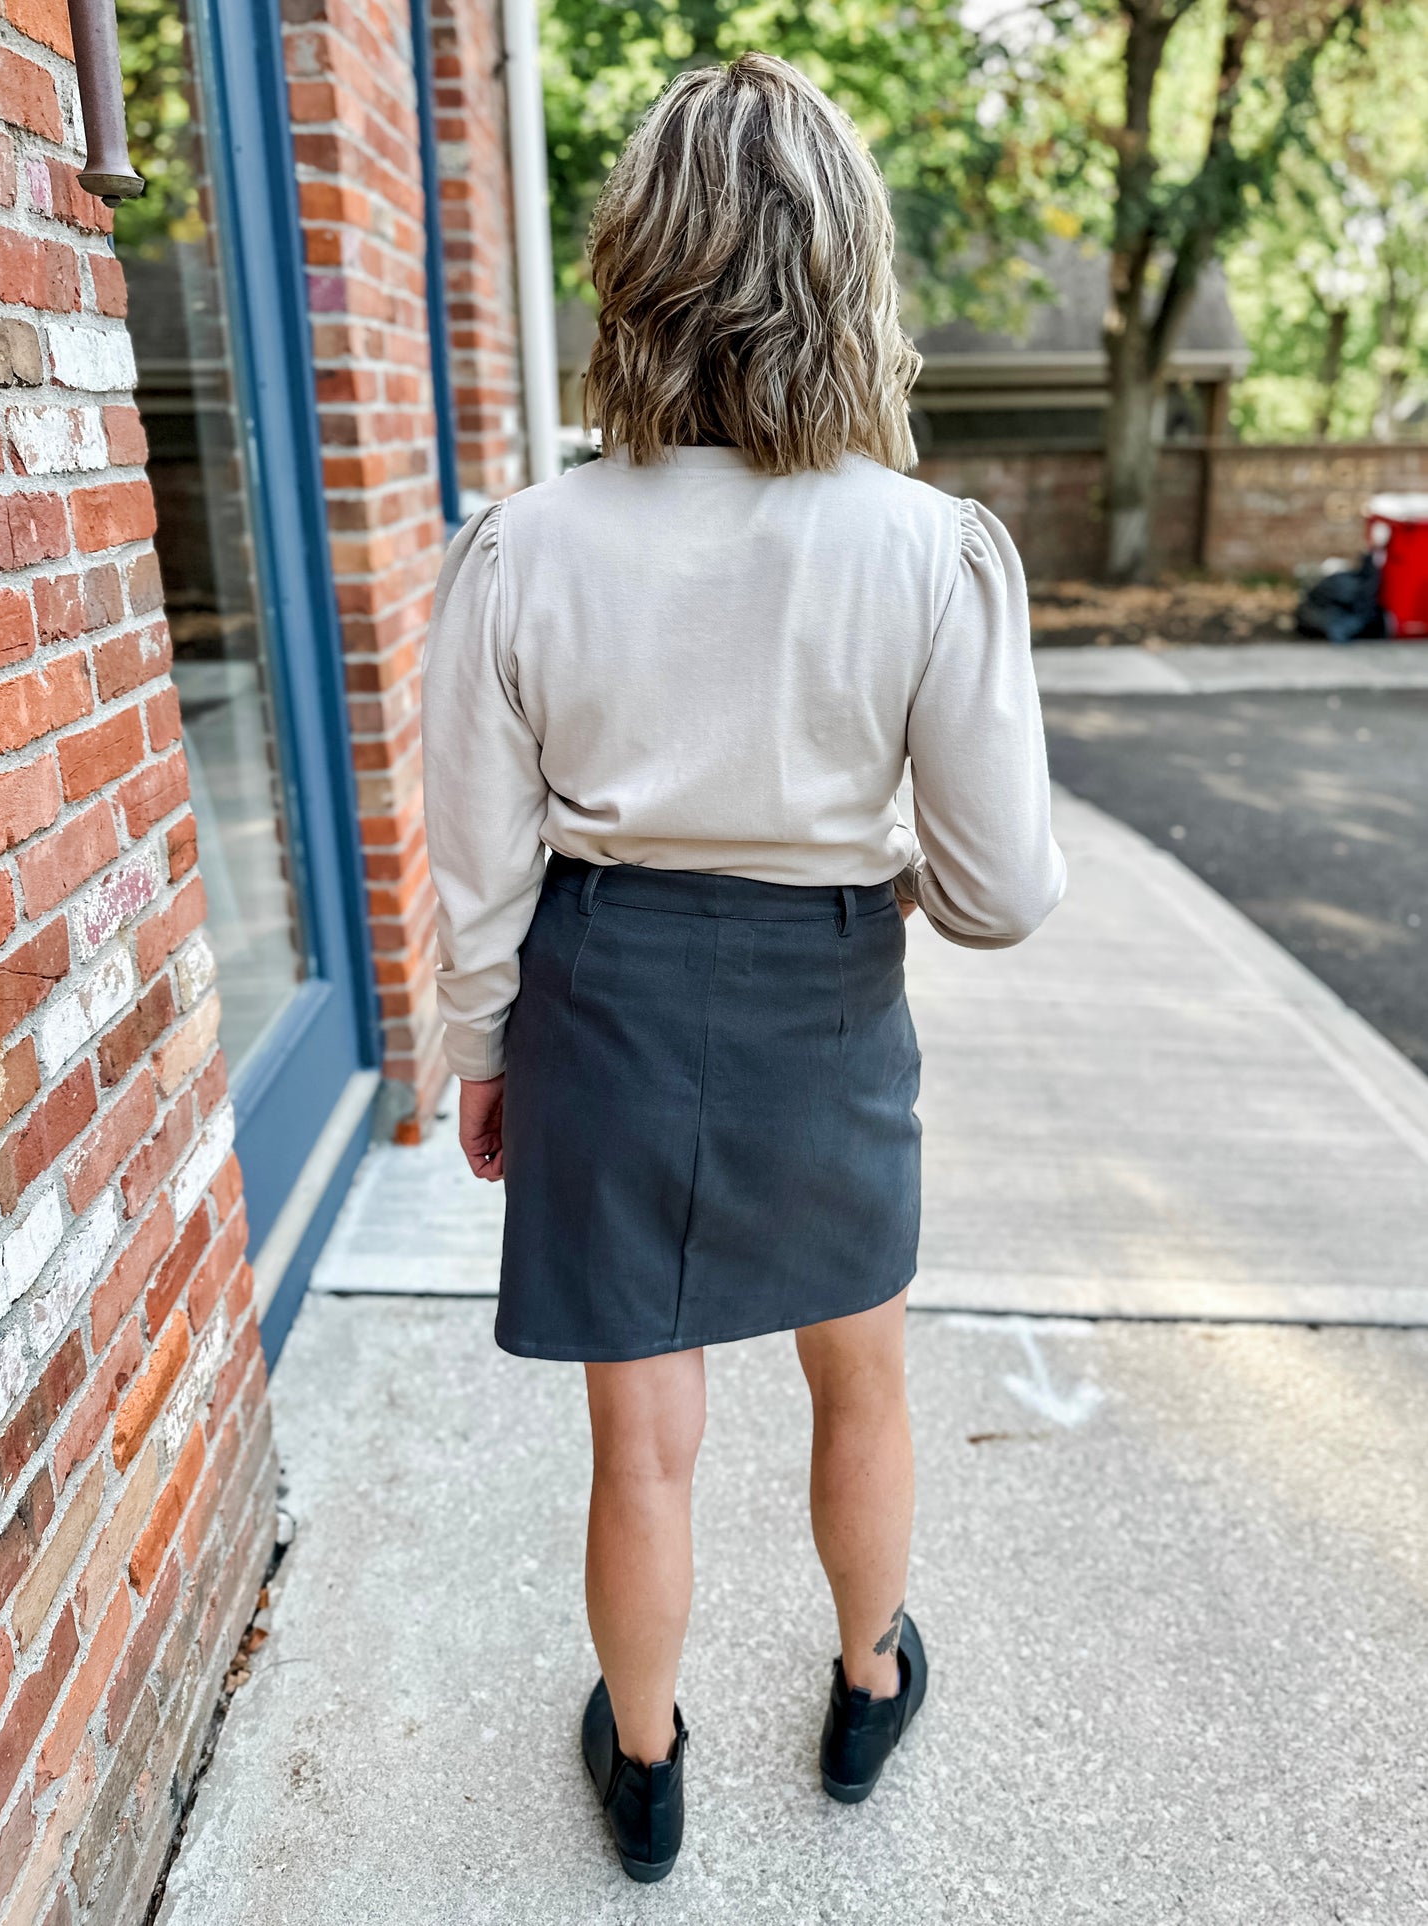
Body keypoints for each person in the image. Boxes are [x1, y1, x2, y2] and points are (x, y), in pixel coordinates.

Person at [420, 51, 1065, 1884]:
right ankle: (868, 1683)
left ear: (636, 268)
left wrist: (485, 1049)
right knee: (857, 1376)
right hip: (827, 998)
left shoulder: (522, 546)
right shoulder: (928, 549)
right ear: (845, 268)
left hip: (601, 995)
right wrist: (881, 880)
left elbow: (480, 862)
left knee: (644, 1431)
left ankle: (647, 1762)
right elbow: (1002, 887)